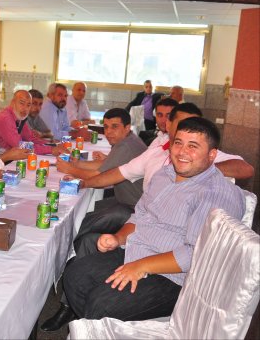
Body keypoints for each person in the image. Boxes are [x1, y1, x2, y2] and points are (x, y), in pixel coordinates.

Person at [59, 117, 245, 327]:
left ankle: (98, 326)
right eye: (178, 143)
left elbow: (197, 253)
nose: (182, 152)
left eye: (193, 146)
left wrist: (141, 266)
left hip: (173, 278)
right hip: (135, 253)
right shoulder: (163, 175)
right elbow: (139, 216)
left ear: (212, 155)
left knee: (101, 304)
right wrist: (118, 238)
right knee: (75, 276)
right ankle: (96, 328)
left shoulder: (215, 193)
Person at [81, 102, 254, 195]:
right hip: (142, 214)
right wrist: (84, 183)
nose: (189, 130)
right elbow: (120, 172)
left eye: (195, 125)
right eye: (183, 124)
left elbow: (245, 169)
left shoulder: (202, 156)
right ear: (169, 125)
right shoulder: (158, 151)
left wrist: (198, 169)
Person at [56, 108, 148, 257]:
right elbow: (104, 165)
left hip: (133, 210)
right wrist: (76, 163)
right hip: (125, 201)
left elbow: (99, 176)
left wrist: (70, 169)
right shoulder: (128, 140)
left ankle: (65, 251)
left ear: (127, 127)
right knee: (85, 213)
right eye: (106, 127)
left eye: (114, 127)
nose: (108, 132)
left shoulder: (126, 146)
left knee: (81, 224)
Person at [0, 90, 62, 156]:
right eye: (22, 103)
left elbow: (30, 138)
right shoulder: (6, 118)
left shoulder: (19, 117)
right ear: (12, 102)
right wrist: (51, 150)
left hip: (4, 155)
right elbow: (20, 146)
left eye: (28, 105)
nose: (25, 108)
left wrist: (53, 145)